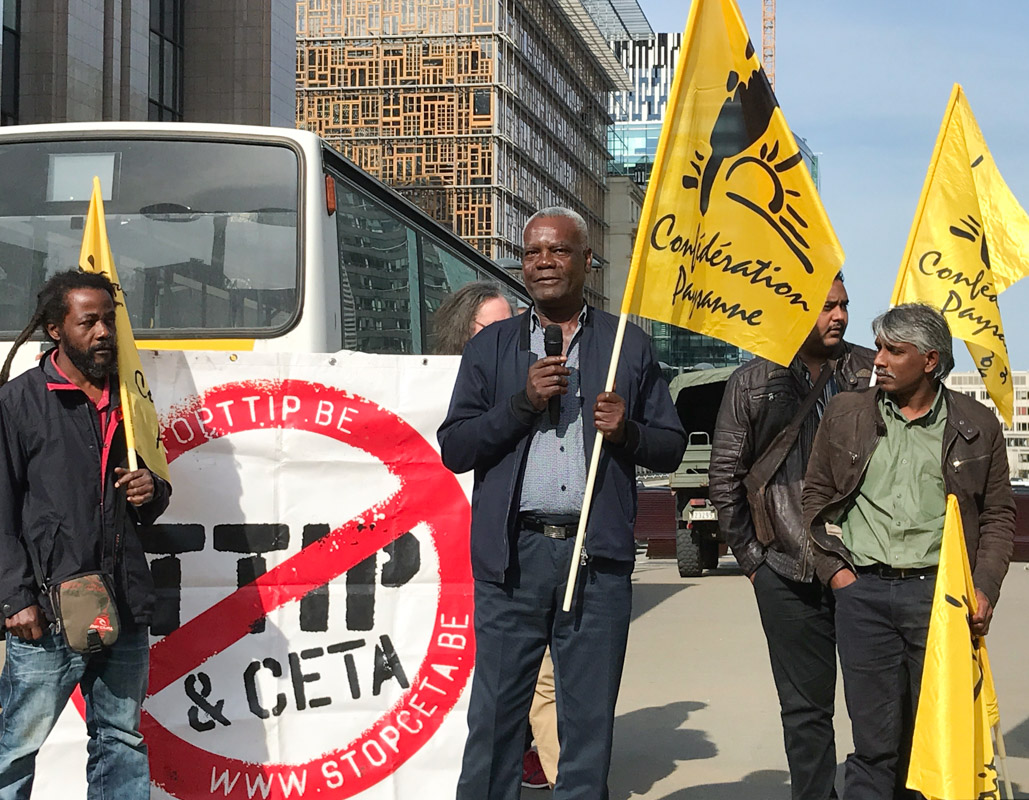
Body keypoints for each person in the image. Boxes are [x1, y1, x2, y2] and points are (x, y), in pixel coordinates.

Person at [438, 206, 685, 799]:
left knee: (587, 727)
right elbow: (456, 447)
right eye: (532, 253)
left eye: (558, 250)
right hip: (513, 562)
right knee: (494, 721)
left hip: (594, 562)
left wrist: (627, 431)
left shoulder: (626, 345)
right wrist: (521, 404)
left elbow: (671, 446)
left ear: (587, 261)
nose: (543, 262)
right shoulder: (492, 347)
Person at [803, 303, 1015, 800]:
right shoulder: (846, 413)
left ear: (929, 360)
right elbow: (815, 496)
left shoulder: (977, 424)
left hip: (941, 602)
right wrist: (837, 575)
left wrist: (983, 589)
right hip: (863, 597)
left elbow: (998, 516)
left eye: (893, 351)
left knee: (937, 742)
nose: (878, 359)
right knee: (873, 748)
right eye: (879, 347)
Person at [0, 270, 172, 799]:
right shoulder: (19, 401)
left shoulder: (131, 397)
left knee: (122, 739)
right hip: (47, 610)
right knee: (15, 748)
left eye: (109, 320)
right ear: (56, 329)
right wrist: (15, 598)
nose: (103, 332)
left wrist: (152, 489)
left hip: (124, 602)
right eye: (88, 321)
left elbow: (153, 492)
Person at [709, 273, 873, 800]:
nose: (839, 316)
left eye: (843, 305)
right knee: (805, 711)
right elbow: (725, 477)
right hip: (785, 570)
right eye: (826, 306)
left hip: (864, 567)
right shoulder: (752, 381)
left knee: (880, 704)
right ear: (795, 308)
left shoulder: (872, 372)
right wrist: (754, 563)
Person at [431, 280, 558, 789]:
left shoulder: (533, 381)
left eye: (513, 323)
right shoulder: (465, 387)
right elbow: (458, 447)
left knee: (544, 680)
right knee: (498, 695)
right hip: (474, 558)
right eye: (495, 326)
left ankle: (559, 770)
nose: (511, 334)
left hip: (516, 555)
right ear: (465, 333)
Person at [432, 281, 514, 356]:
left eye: (511, 327)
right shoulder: (443, 366)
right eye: (494, 329)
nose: (506, 337)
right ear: (465, 328)